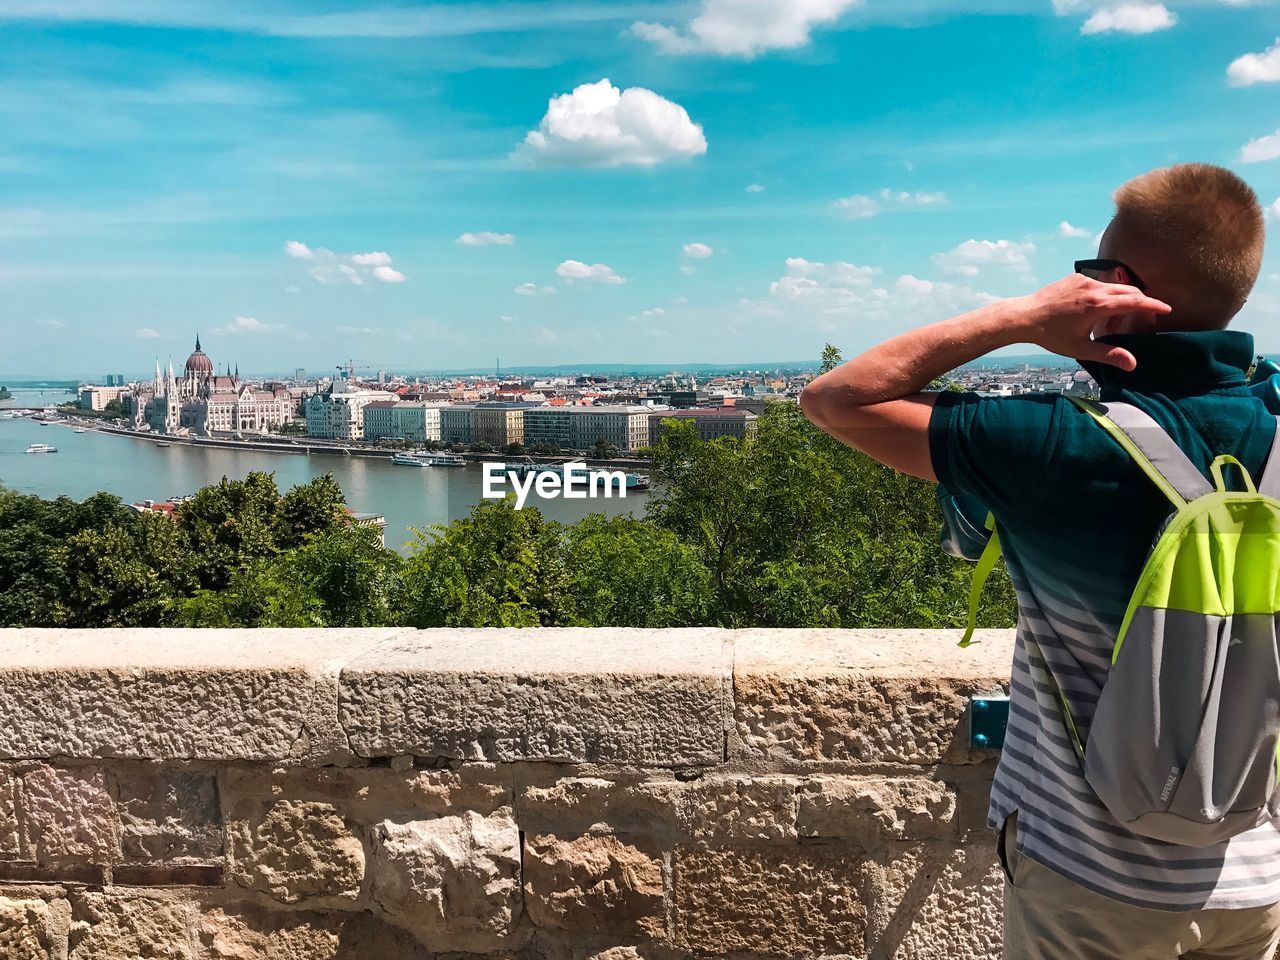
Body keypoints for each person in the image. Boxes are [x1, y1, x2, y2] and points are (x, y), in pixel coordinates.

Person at [801, 163, 1279, 960]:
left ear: (1118, 290)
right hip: (1256, 872)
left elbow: (836, 399)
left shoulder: (1054, 443)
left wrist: (1022, 317)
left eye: (1088, 274)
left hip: (1089, 880)